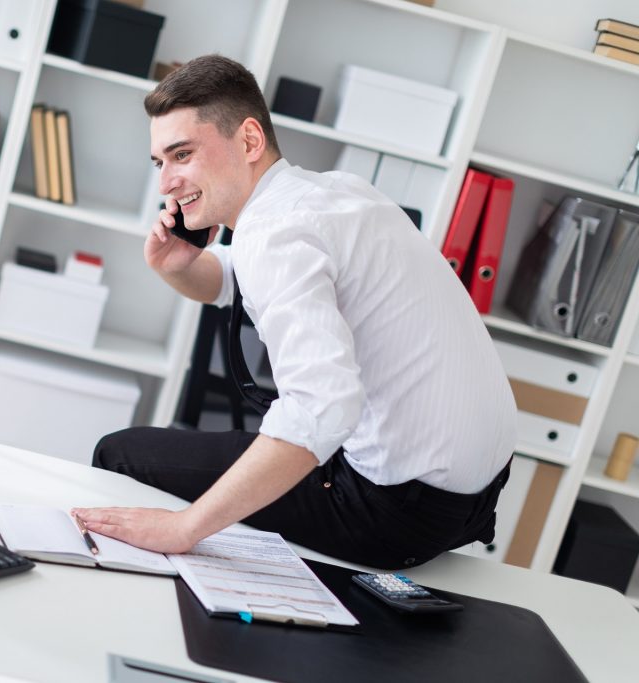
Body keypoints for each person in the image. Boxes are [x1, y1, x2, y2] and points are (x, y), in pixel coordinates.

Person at [71, 55, 517, 569]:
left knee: (119, 453)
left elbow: (320, 409)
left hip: (390, 513)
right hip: (476, 499)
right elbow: (239, 278)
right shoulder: (337, 193)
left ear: (250, 141)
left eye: (183, 154)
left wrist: (183, 528)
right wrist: (179, 267)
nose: (166, 183)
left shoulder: (274, 236)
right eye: (159, 162)